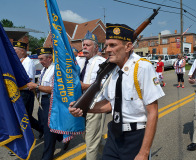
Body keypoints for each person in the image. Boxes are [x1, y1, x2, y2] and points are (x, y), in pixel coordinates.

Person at [69, 23, 165, 159]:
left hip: (135, 137)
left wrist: (143, 152)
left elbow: (152, 112)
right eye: (106, 45)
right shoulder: (111, 70)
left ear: (128, 47)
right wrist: (82, 108)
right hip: (113, 134)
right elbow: (110, 104)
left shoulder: (142, 68)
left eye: (113, 45)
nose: (107, 49)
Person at [27, 48, 61, 160]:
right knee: (42, 125)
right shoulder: (44, 70)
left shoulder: (56, 70)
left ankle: (47, 156)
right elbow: (41, 83)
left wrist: (36, 86)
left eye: (42, 59)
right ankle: (62, 136)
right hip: (42, 101)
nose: (40, 61)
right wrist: (36, 86)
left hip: (50, 102)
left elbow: (55, 89)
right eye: (39, 59)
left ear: (49, 58)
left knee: (48, 131)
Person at [78, 31, 106, 160]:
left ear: (96, 48)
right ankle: (114, 154)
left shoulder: (102, 62)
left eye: (88, 45)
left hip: (96, 105)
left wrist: (85, 86)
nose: (84, 47)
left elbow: (104, 85)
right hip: (82, 105)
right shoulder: (82, 62)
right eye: (83, 45)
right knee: (92, 139)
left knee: (91, 143)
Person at [13, 41, 43, 134]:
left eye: (15, 51)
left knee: (26, 117)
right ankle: (45, 132)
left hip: (26, 93)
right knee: (25, 117)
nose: (14, 53)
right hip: (20, 93)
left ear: (22, 51)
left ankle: (51, 134)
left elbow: (27, 78)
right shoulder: (20, 62)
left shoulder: (28, 62)